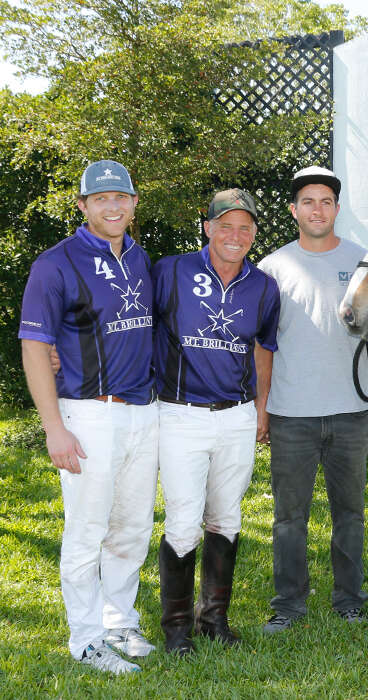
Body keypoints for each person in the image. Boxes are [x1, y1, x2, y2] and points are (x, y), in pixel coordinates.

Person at [256, 166, 368, 633]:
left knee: (350, 513)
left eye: (326, 201)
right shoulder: (272, 267)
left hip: (349, 410)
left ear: (336, 209)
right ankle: (288, 606)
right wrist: (261, 409)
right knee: (289, 519)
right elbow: (262, 347)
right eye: (308, 201)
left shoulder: (362, 261)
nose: (317, 209)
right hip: (290, 414)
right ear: (294, 210)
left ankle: (349, 599)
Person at [19, 160, 158, 674]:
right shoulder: (55, 263)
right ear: (82, 206)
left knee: (133, 526)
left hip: (143, 412)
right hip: (87, 414)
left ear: (134, 202)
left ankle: (120, 617)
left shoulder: (140, 259)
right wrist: (54, 426)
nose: (113, 206)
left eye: (121, 197)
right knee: (87, 529)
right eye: (101, 199)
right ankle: (86, 639)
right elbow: (35, 347)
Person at [152, 188, 280, 654]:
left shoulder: (263, 286)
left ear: (253, 235)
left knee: (226, 517)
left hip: (238, 417)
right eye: (225, 225)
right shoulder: (171, 270)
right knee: (184, 521)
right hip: (181, 413)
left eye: (245, 228)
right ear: (207, 227)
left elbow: (264, 349)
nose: (235, 235)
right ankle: (177, 630)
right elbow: (127, 321)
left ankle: (214, 620)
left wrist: (262, 408)